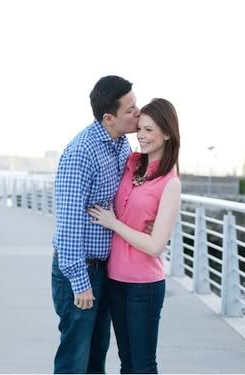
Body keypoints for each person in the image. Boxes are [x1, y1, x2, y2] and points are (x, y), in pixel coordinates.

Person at [52, 75, 139, 374]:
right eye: (130, 109)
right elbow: (69, 223)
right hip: (80, 271)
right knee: (73, 360)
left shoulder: (121, 146)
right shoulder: (81, 153)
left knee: (95, 358)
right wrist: (80, 281)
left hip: (104, 269)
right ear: (108, 118)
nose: (137, 113)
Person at [88, 98, 181, 374]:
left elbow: (154, 247)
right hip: (115, 279)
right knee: (126, 362)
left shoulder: (170, 183)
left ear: (167, 133)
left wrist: (113, 223)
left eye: (149, 130)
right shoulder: (130, 162)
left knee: (142, 364)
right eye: (140, 128)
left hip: (144, 286)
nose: (141, 135)